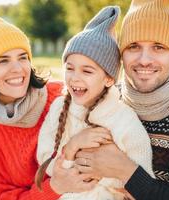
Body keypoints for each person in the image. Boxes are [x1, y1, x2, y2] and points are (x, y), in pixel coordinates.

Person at [74, 0, 169, 200]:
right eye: (133, 46)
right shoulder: (102, 104)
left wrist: (127, 173)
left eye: (158, 47)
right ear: (121, 54)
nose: (144, 59)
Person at [0, 12, 97, 199]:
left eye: (23, 57)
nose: (18, 68)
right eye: (3, 61)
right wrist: (55, 187)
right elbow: (0, 197)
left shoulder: (61, 94)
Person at [35, 6, 155, 200]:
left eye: (87, 71)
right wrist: (73, 146)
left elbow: (141, 177)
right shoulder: (59, 108)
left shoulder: (123, 119)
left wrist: (112, 177)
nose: (75, 78)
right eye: (70, 68)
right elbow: (46, 160)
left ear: (108, 79)